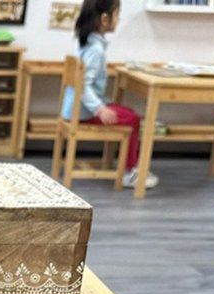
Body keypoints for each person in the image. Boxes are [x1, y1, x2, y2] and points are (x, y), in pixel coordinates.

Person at [63, 0, 155, 190]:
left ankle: (127, 167)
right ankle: (131, 172)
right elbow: (84, 85)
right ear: (105, 19)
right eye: (117, 15)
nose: (118, 19)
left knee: (128, 113)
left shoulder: (86, 43)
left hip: (74, 110)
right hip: (83, 114)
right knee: (133, 119)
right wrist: (100, 109)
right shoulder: (96, 51)